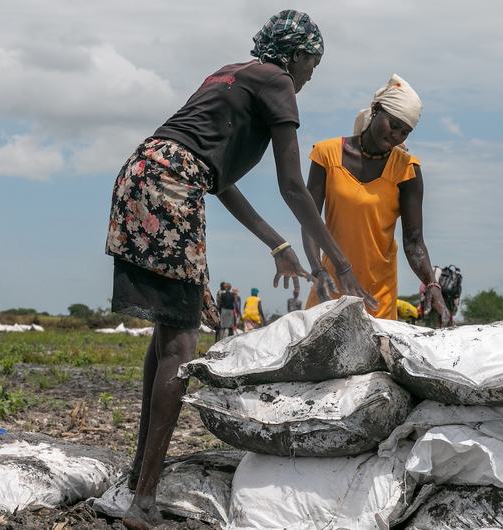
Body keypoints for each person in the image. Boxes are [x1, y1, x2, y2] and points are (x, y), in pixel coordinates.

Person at [103, 11, 371, 527]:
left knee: (167, 336)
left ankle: (136, 482)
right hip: (172, 186)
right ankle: (142, 501)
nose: (312, 75)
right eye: (312, 63)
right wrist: (340, 262)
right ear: (294, 55)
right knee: (182, 347)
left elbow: (220, 179)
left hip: (141, 174)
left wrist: (276, 246)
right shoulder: (277, 81)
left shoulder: (229, 74)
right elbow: (293, 186)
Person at [300, 74, 449, 324]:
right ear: (376, 109)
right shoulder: (327, 154)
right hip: (330, 289)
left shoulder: (406, 170)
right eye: (393, 124)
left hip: (378, 298)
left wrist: (431, 284)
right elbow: (310, 222)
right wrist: (318, 269)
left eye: (404, 132)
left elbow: (414, 242)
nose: (396, 136)